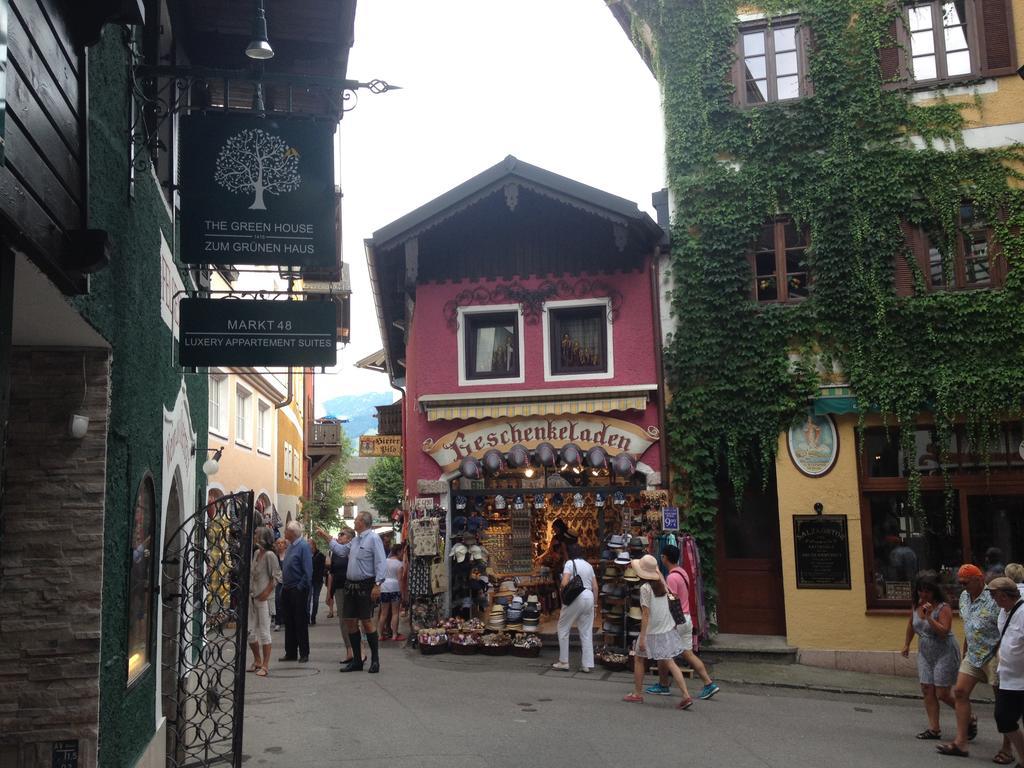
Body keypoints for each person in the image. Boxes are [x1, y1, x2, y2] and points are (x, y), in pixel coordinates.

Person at [937, 564, 999, 758]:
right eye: (960, 582)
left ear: (979, 580)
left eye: (966, 582)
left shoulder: (994, 598)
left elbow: (1006, 626)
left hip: (995, 655)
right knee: (960, 692)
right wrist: (965, 651)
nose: (962, 586)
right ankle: (961, 743)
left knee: (1002, 703)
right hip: (973, 653)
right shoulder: (964, 597)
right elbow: (969, 627)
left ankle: (1007, 748)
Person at [645, 544, 719, 700]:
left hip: (676, 621)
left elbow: (670, 599)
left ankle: (664, 685)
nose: (661, 559)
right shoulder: (683, 572)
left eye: (662, 556)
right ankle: (708, 682)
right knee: (688, 654)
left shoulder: (671, 577)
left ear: (665, 558)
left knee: (664, 653)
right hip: (686, 619)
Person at [622, 554, 694, 709]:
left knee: (639, 659)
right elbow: (658, 573)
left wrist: (642, 638)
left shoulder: (645, 588)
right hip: (667, 628)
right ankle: (686, 695)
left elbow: (646, 615)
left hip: (653, 631)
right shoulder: (662, 582)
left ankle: (637, 693)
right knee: (670, 662)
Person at [320, 510, 387, 674]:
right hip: (351, 585)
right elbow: (341, 551)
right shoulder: (356, 540)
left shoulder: (373, 539)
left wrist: (378, 585)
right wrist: (326, 537)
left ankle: (375, 660)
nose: (354, 522)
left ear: (363, 522)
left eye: (356, 520)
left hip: (365, 585)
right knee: (350, 620)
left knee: (366, 621)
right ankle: (357, 660)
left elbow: (381, 562)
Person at [901, 570, 959, 739]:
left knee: (943, 693)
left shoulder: (943, 607)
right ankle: (934, 728)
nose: (923, 594)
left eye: (927, 591)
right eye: (920, 590)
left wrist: (930, 618)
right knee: (927, 689)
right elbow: (911, 624)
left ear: (935, 591)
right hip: (925, 652)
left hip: (944, 651)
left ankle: (967, 716)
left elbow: (944, 632)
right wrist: (906, 644)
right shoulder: (916, 604)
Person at [989, 576, 1024, 767]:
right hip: (1008, 676)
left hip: (1022, 678)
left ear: (1003, 595)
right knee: (1003, 718)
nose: (993, 599)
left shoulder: (1023, 612)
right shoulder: (1004, 611)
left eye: (994, 595)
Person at [551, 543, 598, 673]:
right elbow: (595, 587)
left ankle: (564, 661)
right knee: (586, 631)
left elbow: (564, 583)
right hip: (589, 596)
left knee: (563, 627)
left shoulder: (569, 563)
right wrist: (595, 605)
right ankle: (586, 664)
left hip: (575, 597)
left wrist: (563, 598)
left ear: (569, 553)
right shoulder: (589, 565)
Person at [247, 526, 281, 676]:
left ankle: (265, 666)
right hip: (253, 597)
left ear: (262, 537)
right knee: (251, 633)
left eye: (256, 534)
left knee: (265, 632)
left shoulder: (269, 555)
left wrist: (266, 592)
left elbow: (277, 576)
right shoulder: (256, 553)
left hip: (264, 600)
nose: (253, 536)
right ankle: (257, 660)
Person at [278, 521, 313, 663]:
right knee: (289, 621)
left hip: (297, 590)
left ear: (292, 533)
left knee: (300, 621)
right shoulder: (291, 546)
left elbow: (308, 571)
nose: (284, 533)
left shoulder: (303, 546)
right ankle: (291, 652)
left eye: (286, 530)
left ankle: (304, 652)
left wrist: (300, 587)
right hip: (287, 588)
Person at [326, 528, 358, 663]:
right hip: (339, 589)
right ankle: (349, 650)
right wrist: (329, 593)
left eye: (342, 534)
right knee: (343, 621)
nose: (339, 536)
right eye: (339, 534)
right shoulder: (336, 554)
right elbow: (331, 574)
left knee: (354, 620)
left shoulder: (354, 550)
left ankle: (359, 651)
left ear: (350, 538)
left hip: (352, 588)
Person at [379, 545, 406, 642]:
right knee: (395, 613)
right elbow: (400, 579)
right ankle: (394, 635)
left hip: (384, 587)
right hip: (395, 588)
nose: (403, 554)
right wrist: (403, 593)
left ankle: (380, 635)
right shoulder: (399, 564)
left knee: (383, 614)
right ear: (398, 552)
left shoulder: (384, 561)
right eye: (402, 552)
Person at [309, 541, 326, 625]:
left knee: (315, 599)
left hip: (317, 581)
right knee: (307, 600)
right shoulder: (306, 555)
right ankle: (307, 617)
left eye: (310, 544)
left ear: (314, 545)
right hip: (309, 580)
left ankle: (313, 617)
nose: (309, 546)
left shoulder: (320, 555)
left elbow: (323, 568)